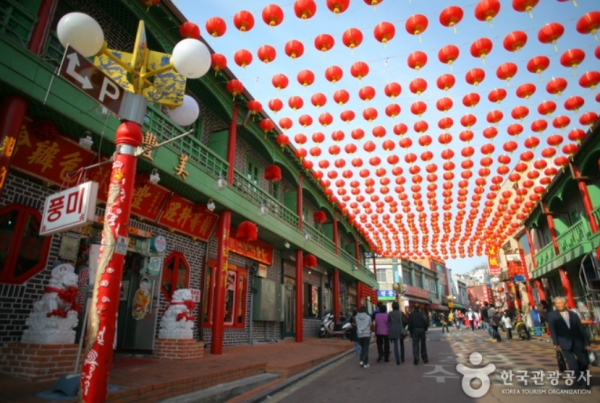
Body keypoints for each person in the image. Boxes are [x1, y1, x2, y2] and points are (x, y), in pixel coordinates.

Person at [547, 296, 591, 388]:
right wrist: (555, 342)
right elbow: (553, 329)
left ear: (565, 303)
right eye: (556, 303)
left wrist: (586, 342)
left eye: (560, 303)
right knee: (572, 363)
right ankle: (581, 382)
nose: (558, 305)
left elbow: (581, 329)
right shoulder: (552, 315)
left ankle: (578, 372)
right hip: (564, 342)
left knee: (585, 362)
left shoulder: (573, 315)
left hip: (577, 341)